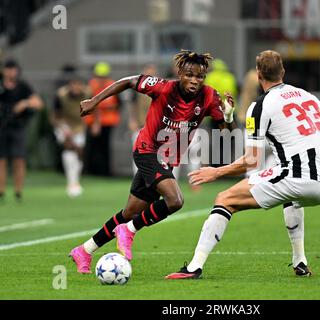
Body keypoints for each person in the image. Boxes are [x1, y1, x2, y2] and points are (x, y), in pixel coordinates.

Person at [165, 50, 320, 280]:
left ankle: (194, 267)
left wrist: (216, 171)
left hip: (298, 177)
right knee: (290, 195)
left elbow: (251, 161)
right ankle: (300, 262)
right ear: (282, 71)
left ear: (258, 75)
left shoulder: (260, 106)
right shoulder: (310, 98)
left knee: (224, 199)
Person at [69, 50, 237, 274]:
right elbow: (128, 81)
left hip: (167, 160)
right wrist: (95, 101)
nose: (195, 81)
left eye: (199, 77)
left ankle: (84, 250)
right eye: (190, 75)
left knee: (130, 211)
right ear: (180, 73)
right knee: (175, 200)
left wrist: (228, 116)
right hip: (147, 151)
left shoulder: (208, 97)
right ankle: (128, 231)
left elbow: (227, 135)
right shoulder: (163, 87)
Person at [0, 59, 43, 201]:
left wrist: (24, 103)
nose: (12, 72)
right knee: (2, 160)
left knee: (19, 159)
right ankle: (1, 190)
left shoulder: (23, 87)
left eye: (14, 69)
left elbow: (38, 103)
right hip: (2, 127)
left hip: (18, 126)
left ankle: (18, 191)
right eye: (9, 69)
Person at [52, 74, 91, 197]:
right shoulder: (61, 95)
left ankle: (75, 181)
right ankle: (71, 182)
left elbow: (93, 110)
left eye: (78, 84)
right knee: (69, 149)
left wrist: (93, 124)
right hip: (64, 124)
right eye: (73, 84)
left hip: (79, 126)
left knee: (79, 152)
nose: (75, 87)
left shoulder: (87, 93)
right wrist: (63, 129)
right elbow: (55, 115)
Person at [84, 62, 120, 176]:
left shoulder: (113, 85)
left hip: (108, 122)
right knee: (91, 148)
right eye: (99, 76)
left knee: (105, 148)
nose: (101, 79)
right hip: (92, 122)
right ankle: (89, 171)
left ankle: (105, 172)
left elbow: (119, 104)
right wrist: (95, 123)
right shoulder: (91, 86)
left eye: (103, 76)